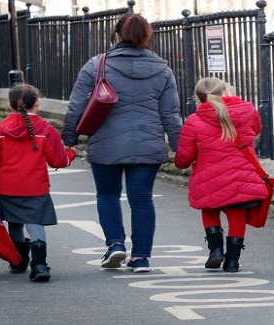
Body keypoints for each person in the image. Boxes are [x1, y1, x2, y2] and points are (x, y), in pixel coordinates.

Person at [61, 13, 182, 273]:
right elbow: (170, 114)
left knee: (107, 194)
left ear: (117, 35)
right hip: (148, 145)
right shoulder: (163, 69)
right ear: (146, 37)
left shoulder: (97, 65)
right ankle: (141, 258)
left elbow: (76, 107)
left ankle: (115, 244)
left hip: (106, 144)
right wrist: (179, 147)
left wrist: (68, 140)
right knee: (141, 200)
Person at [0, 84, 77, 282]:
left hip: (8, 187)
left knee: (15, 223)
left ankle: (18, 261)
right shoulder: (45, 129)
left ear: (10, 104)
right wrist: (72, 152)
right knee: (35, 223)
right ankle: (40, 265)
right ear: (38, 103)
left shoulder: (0, 130)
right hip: (36, 187)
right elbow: (58, 161)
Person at [173, 77, 267, 273]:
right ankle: (232, 261)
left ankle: (215, 250)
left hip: (208, 177)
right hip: (240, 176)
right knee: (236, 215)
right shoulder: (247, 111)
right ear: (226, 91)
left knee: (209, 209)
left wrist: (179, 162)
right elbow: (256, 129)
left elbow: (185, 156)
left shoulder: (195, 121)